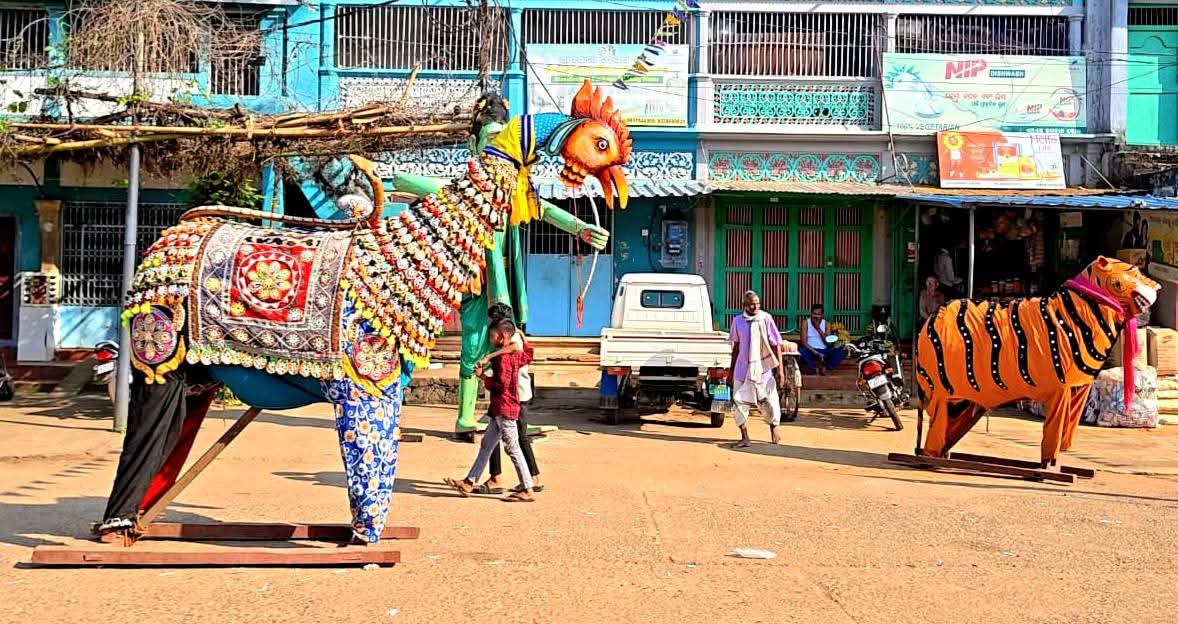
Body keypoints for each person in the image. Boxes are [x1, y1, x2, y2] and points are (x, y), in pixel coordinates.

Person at [445, 317, 536, 502]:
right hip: (500, 410)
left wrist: (482, 377)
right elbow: (528, 354)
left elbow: (500, 386)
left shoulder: (503, 359)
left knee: (513, 448)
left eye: (493, 337)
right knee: (487, 444)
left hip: (504, 408)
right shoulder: (514, 355)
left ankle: (527, 488)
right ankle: (470, 481)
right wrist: (522, 338)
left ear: (502, 338)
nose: (490, 340)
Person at [477, 304, 542, 494]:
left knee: (515, 441)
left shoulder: (511, 339)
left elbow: (502, 380)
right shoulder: (509, 335)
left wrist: (485, 373)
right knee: (493, 439)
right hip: (510, 397)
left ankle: (530, 481)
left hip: (513, 397)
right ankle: (493, 476)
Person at [726, 290, 788, 448]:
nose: (755, 306)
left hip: (763, 370)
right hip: (742, 369)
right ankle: (745, 436)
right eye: (752, 304)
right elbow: (736, 347)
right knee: (739, 403)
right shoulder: (738, 321)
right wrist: (731, 371)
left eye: (757, 303)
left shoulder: (766, 319)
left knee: (770, 402)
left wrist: (780, 370)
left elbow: (776, 345)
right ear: (744, 305)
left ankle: (774, 429)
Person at [799, 304, 846, 376]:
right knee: (802, 351)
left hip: (824, 351)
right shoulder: (805, 323)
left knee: (842, 351)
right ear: (811, 314)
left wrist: (818, 329)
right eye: (814, 314)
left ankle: (827, 369)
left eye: (818, 314)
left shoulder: (827, 324)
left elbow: (828, 343)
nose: (816, 316)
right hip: (811, 351)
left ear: (822, 315)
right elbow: (804, 342)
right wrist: (816, 353)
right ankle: (813, 369)